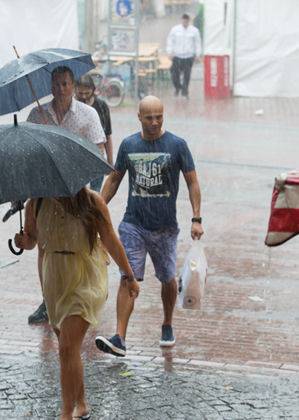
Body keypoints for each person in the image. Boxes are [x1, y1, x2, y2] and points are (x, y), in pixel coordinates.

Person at [13, 187, 137, 420]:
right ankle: (81, 403)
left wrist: (129, 276)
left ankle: (66, 413)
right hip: (54, 279)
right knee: (68, 349)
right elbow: (31, 240)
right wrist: (22, 241)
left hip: (87, 277)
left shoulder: (91, 202)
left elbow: (110, 238)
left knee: (66, 348)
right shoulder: (36, 203)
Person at [95, 96, 204, 357]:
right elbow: (114, 180)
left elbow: (192, 182)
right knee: (127, 276)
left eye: (159, 117)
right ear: (139, 117)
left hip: (165, 227)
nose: (155, 122)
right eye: (149, 117)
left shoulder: (177, 145)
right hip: (134, 224)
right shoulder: (129, 144)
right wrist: (97, 208)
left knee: (167, 278)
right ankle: (120, 337)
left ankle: (167, 323)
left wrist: (196, 218)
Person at [25, 66, 107, 324]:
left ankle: (88, 292)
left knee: (84, 243)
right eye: (56, 84)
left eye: (65, 84)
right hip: (47, 190)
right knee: (45, 246)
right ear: (50, 86)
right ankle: (48, 301)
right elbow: (27, 151)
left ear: (73, 87)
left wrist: (88, 192)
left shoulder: (88, 114)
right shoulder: (37, 115)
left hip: (80, 189)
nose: (61, 89)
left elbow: (99, 152)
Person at [75, 73, 114, 190]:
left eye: (86, 93)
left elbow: (107, 134)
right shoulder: (72, 106)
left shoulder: (101, 106)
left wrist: (110, 161)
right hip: (77, 156)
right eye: (80, 93)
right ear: (75, 90)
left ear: (93, 90)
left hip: (96, 154)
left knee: (95, 194)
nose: (83, 96)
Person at [166, 13, 202, 99]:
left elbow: (198, 43)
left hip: (188, 57)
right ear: (181, 20)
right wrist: (169, 52)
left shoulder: (194, 31)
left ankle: (185, 92)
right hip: (177, 56)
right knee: (174, 74)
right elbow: (170, 41)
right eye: (183, 20)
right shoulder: (175, 30)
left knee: (187, 75)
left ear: (189, 21)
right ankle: (178, 87)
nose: (185, 22)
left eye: (187, 21)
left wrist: (197, 55)